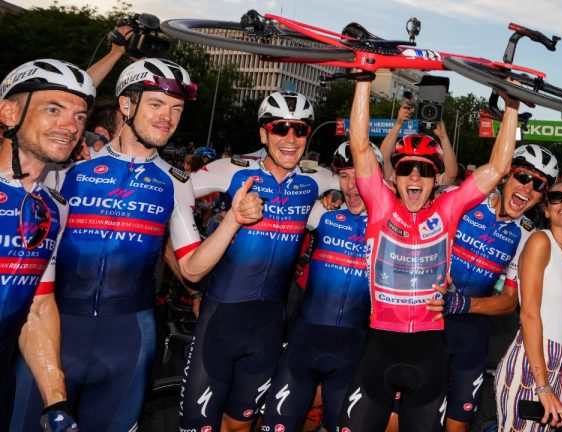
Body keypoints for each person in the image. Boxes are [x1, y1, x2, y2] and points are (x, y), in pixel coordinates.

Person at [12, 58, 262, 431]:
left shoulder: (176, 181)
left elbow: (192, 267)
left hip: (128, 339)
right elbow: (30, 120)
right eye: (157, 104)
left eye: (176, 108)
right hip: (54, 330)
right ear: (126, 105)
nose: (168, 117)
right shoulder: (68, 166)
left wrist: (233, 221)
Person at [335, 78, 519, 432]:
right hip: (380, 345)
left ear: (437, 179)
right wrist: (363, 80)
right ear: (396, 176)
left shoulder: (447, 211)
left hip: (430, 351)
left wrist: (512, 107)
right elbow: (360, 148)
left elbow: (496, 169)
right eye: (405, 168)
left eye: (425, 169)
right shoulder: (380, 206)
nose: (415, 174)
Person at [179, 90, 336, 432]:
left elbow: (371, 187)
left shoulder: (316, 182)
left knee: (239, 426)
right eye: (281, 128)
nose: (291, 139)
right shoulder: (231, 171)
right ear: (264, 134)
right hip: (220, 320)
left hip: (268, 325)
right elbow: (171, 192)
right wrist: (185, 254)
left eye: (300, 129)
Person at [432, 144, 559, 432]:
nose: (527, 189)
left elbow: (510, 301)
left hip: (471, 336)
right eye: (523, 177)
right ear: (505, 176)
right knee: (411, 418)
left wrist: (464, 304)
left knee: (457, 425)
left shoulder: (527, 235)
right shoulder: (463, 200)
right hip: (428, 325)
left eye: (538, 185)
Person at [260, 142, 382, 432]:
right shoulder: (323, 214)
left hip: (353, 353)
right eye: (344, 176)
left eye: (359, 176)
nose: (351, 187)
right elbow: (284, 184)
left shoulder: (389, 224)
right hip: (304, 346)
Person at [0, 58, 94, 432]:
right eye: (53, 110)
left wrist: (56, 400)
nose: (70, 126)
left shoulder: (54, 207)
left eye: (80, 116)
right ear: (8, 112)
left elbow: (37, 305)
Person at [496, 182, 562, 431]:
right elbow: (529, 315)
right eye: (556, 198)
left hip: (560, 362)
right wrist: (542, 385)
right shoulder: (540, 241)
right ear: (546, 210)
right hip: (530, 361)